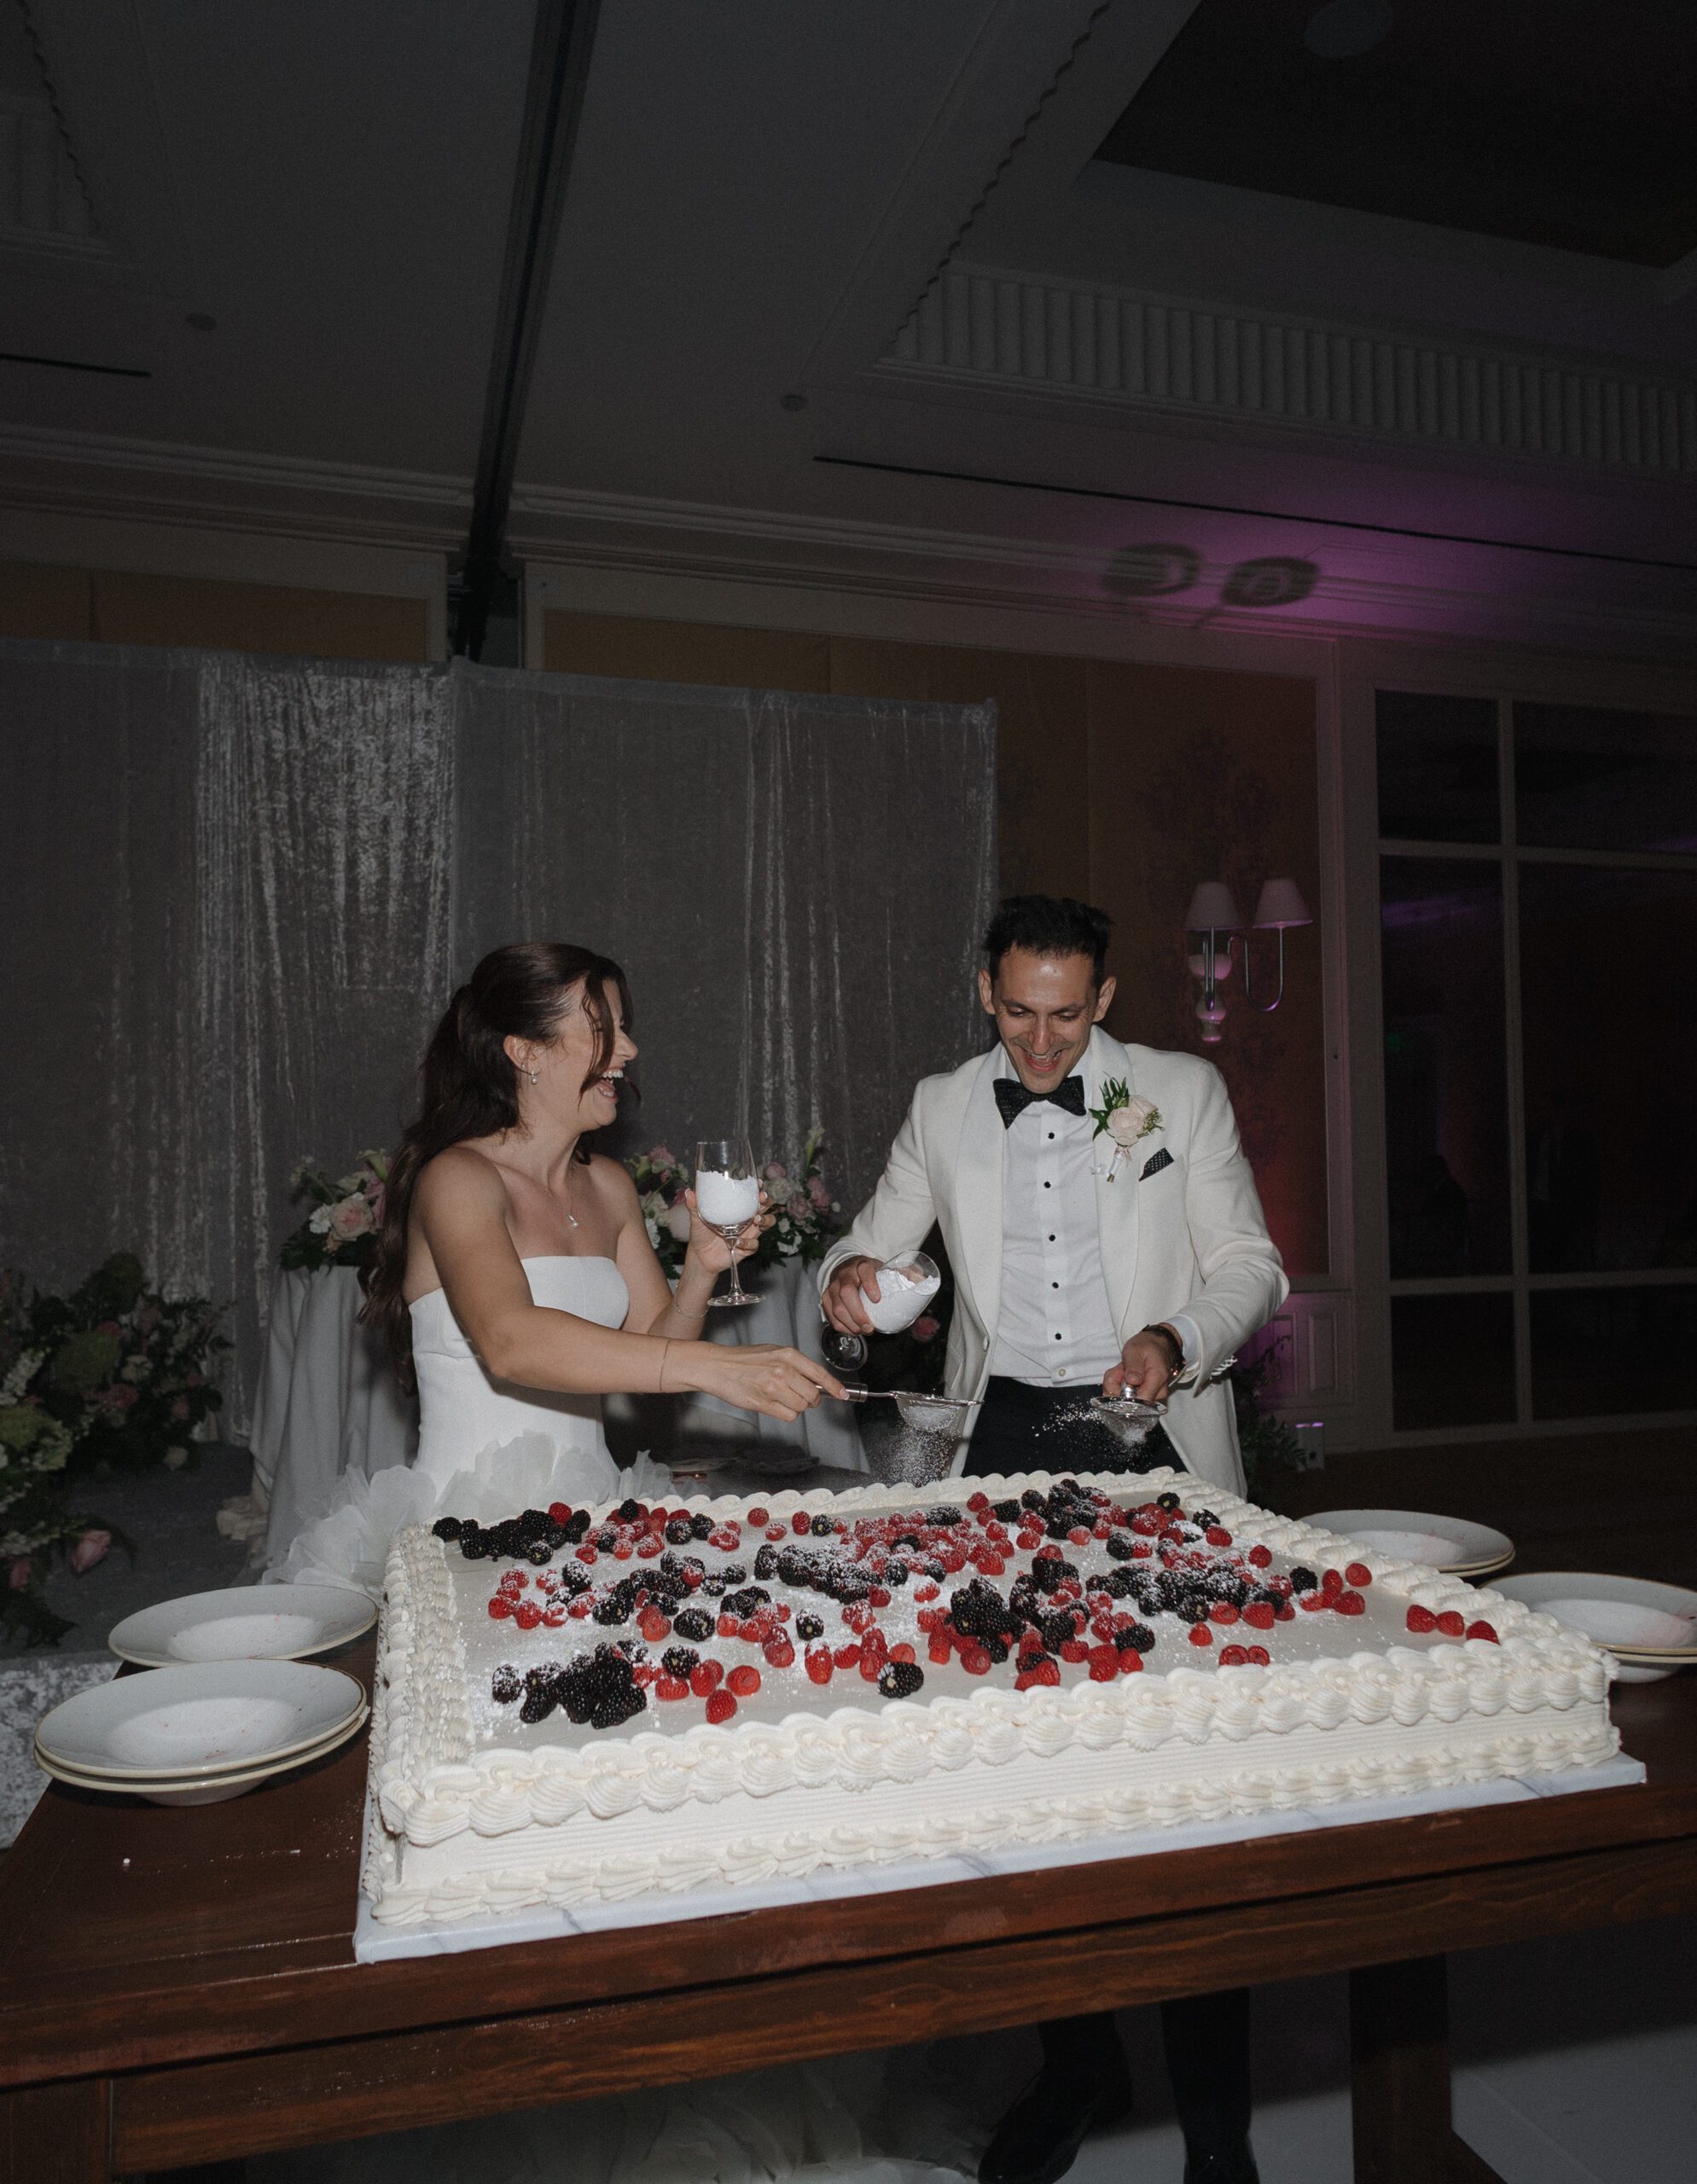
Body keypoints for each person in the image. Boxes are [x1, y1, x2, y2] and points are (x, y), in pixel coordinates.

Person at [821, 895, 1287, 2184]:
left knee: (1194, 1787)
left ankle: (1218, 2133)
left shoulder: (1177, 1094)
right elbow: (867, 1249)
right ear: (986, 992)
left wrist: (1177, 1338)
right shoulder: (941, 1105)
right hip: (1009, 1446)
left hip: (1152, 1438)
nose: (1040, 1042)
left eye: (1067, 1017)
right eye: (1019, 1013)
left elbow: (1250, 1264)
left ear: (1107, 999)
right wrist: (848, 1283)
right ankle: (1080, 2057)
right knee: (1031, 1779)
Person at [272, 941, 842, 1591]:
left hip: (594, 1503)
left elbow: (651, 1353)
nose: (627, 1049)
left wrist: (701, 1269)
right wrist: (714, 1366)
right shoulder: (458, 1177)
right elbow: (510, 1342)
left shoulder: (607, 1184)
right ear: (526, 1052)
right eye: (602, 1030)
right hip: (473, 1521)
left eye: (624, 1028)